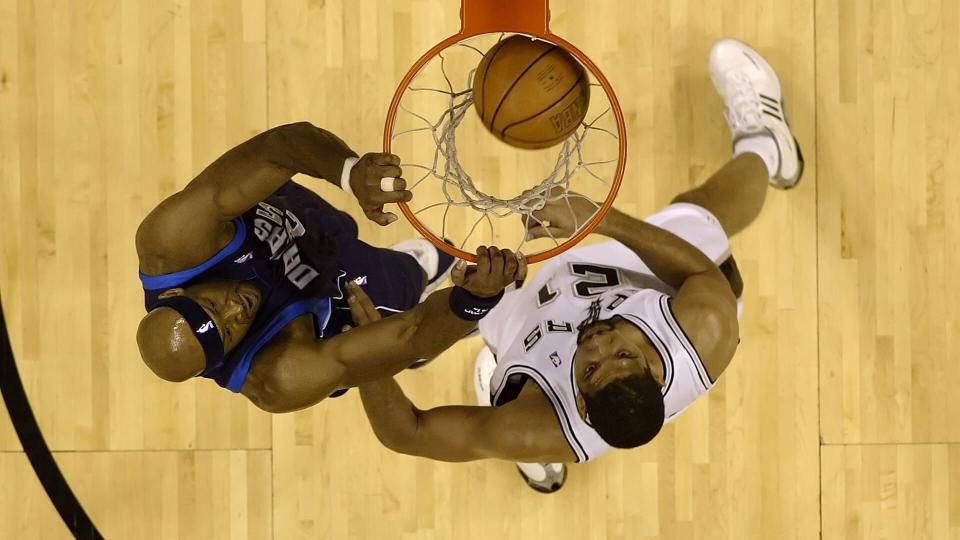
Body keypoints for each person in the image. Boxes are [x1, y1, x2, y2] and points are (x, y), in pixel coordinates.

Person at [352, 39, 804, 492]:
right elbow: (702, 276)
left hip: (530, 340)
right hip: (628, 281)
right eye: (624, 354)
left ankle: (532, 443)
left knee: (468, 320)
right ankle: (767, 147)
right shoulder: (704, 329)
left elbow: (405, 432)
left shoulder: (538, 421)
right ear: (654, 364)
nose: (599, 344)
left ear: (581, 405)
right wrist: (599, 219)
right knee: (699, 211)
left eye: (589, 369)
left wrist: (364, 353)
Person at [135, 121, 525, 413]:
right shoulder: (280, 375)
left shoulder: (172, 240)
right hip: (332, 300)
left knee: (349, 231)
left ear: (175, 292)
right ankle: (432, 289)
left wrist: (349, 172)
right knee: (404, 299)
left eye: (215, 306)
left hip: (296, 226)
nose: (239, 309)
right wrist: (475, 299)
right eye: (229, 330)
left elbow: (278, 147)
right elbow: (409, 336)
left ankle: (407, 265)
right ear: (224, 356)